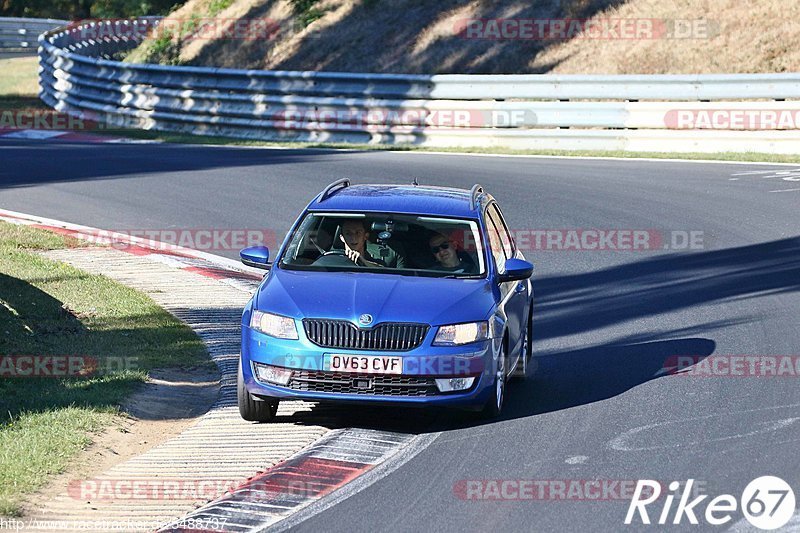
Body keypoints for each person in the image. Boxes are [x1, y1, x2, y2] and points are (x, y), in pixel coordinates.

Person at [340, 219, 405, 268]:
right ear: (342, 237)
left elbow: (384, 273)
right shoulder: (333, 258)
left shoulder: (376, 262)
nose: (353, 238)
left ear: (366, 236)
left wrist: (363, 262)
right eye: (348, 233)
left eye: (358, 233)